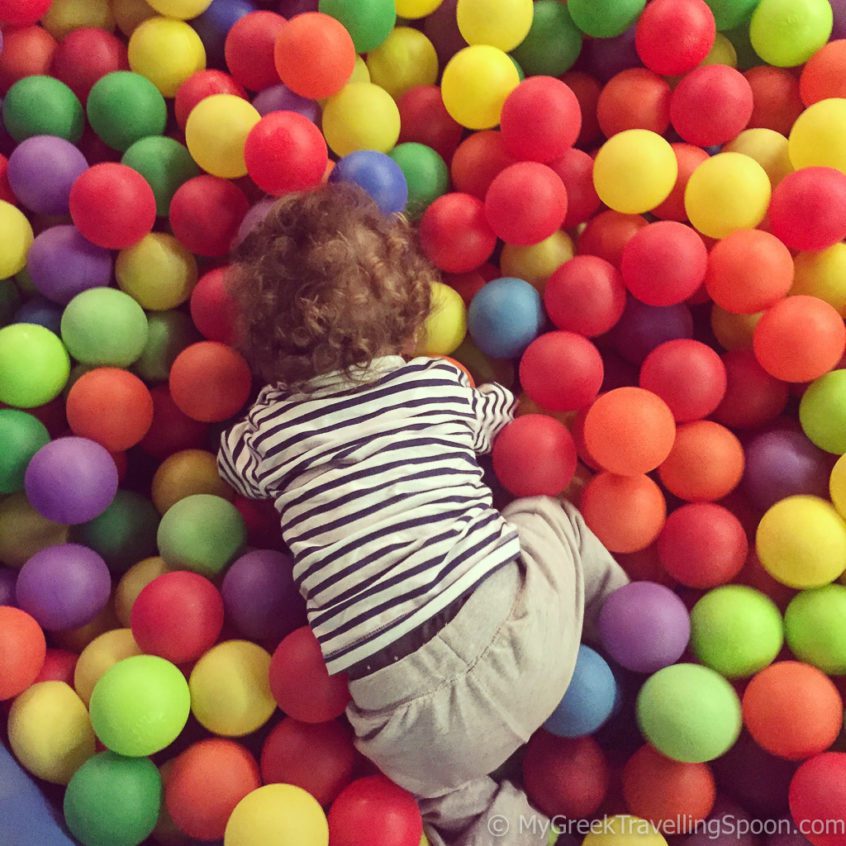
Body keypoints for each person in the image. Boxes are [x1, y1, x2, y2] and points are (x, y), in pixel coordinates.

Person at [217, 182, 628, 846]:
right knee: (542, 512)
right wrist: (500, 395)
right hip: (523, 642)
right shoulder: (434, 383)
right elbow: (495, 419)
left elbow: (235, 469)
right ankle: (621, 617)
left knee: (432, 797)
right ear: (410, 317)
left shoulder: (267, 430)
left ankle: (511, 831)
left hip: (413, 735)